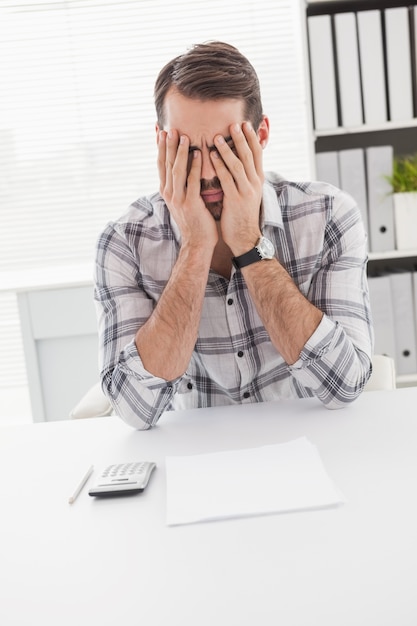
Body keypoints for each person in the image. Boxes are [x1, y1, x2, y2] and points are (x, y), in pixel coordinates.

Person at [94, 41, 374, 430]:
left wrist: (247, 241)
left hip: (312, 448)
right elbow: (134, 410)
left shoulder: (328, 215)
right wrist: (195, 245)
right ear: (161, 143)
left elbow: (343, 386)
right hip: (197, 461)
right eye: (187, 148)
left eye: (225, 146)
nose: (207, 170)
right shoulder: (125, 241)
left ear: (260, 136)